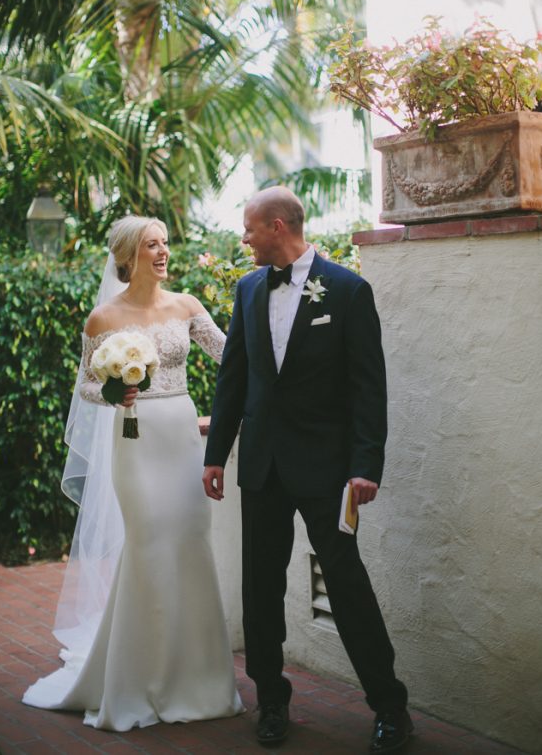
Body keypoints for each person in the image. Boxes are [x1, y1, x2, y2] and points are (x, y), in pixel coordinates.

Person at [203, 187, 411, 752]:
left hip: (328, 471)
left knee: (346, 583)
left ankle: (390, 706)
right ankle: (271, 698)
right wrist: (215, 454)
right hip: (263, 467)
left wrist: (366, 465)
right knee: (261, 588)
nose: (243, 239)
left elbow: (370, 387)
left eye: (249, 230)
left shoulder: (347, 290)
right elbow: (233, 379)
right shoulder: (247, 290)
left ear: (277, 226)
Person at [23, 215, 243, 731]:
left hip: (182, 435)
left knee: (190, 542)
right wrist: (112, 391)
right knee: (147, 546)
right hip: (135, 440)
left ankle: (200, 680)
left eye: (165, 243)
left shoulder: (187, 306)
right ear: (128, 256)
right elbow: (85, 388)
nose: (163, 252)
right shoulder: (103, 319)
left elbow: (232, 355)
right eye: (152, 245)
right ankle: (135, 681)